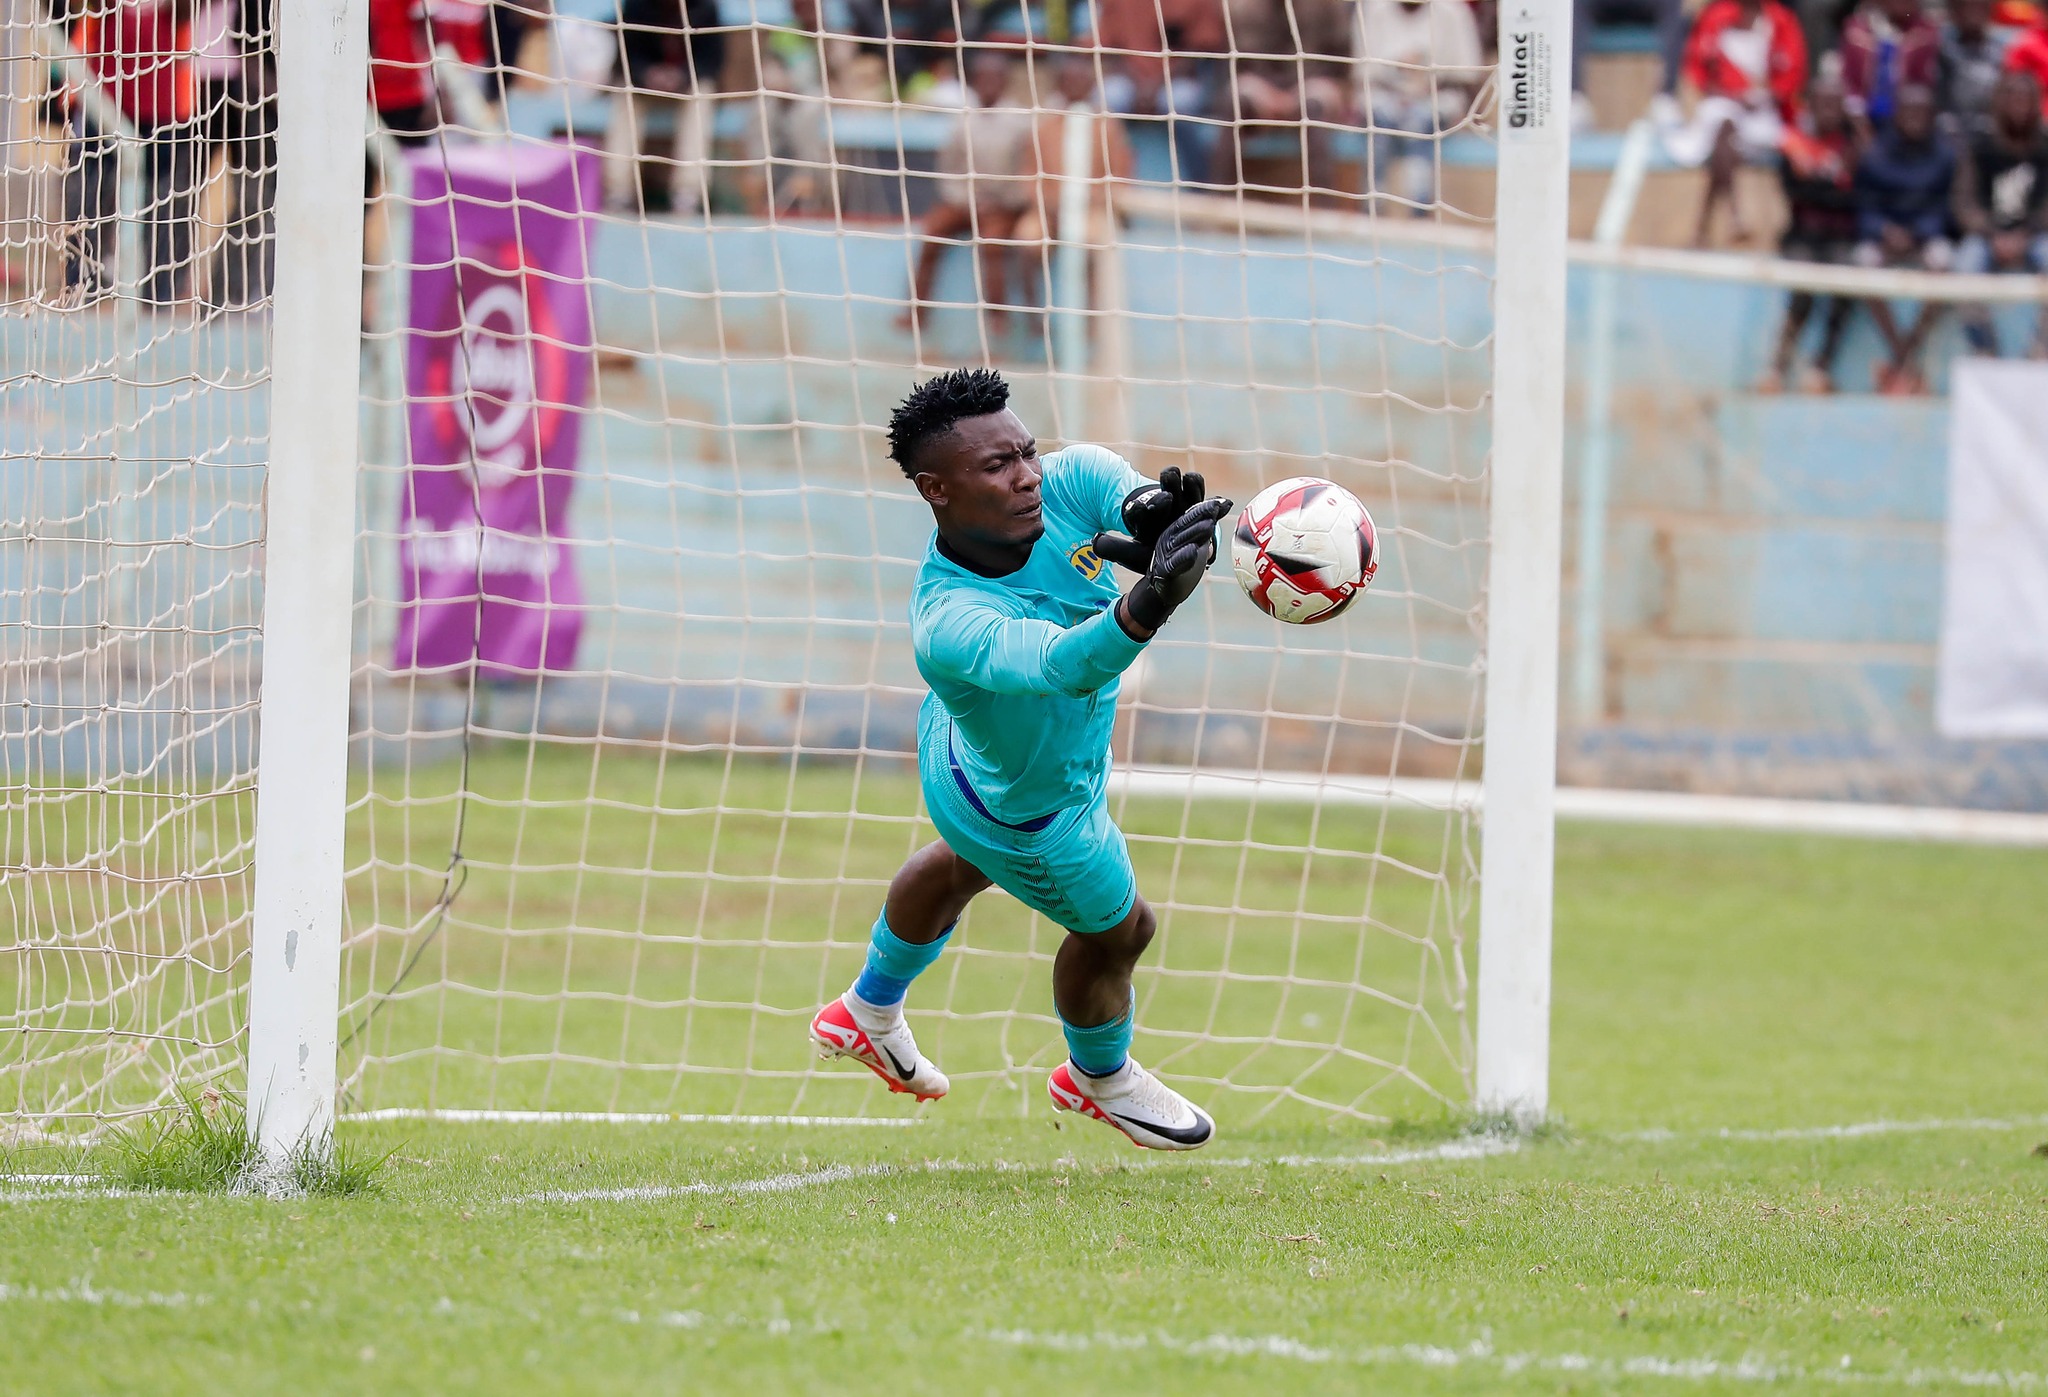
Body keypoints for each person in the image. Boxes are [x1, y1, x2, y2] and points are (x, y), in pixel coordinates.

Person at [808, 368, 1233, 1152]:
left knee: (961, 860)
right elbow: (1060, 666)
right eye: (997, 467)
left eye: (1027, 451)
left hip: (959, 760)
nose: (1028, 476)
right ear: (936, 488)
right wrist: (1148, 602)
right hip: (1033, 814)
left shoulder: (1068, 481)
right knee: (1122, 933)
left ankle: (867, 1008)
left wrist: (1153, 509)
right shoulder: (949, 619)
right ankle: (1099, 1078)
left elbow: (1115, 486)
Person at [899, 48, 1035, 336]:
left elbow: (1028, 172)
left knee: (993, 244)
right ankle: (916, 312)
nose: (987, 84)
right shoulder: (963, 120)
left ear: (1005, 81)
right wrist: (967, 199)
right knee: (931, 232)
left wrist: (1001, 201)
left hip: (1003, 205)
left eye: (994, 78)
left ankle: (998, 318)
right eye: (981, 78)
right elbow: (948, 168)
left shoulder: (1022, 122)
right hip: (964, 201)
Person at [76, 0, 204, 305]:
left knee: (164, 203)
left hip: (162, 106)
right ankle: (82, 286)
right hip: (106, 101)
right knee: (90, 197)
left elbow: (186, 12)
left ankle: (160, 293)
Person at [1657, 0, 1807, 245]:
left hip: (1763, 111)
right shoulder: (1716, 16)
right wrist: (1732, 97)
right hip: (1722, 104)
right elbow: (1699, 72)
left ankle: (1704, 226)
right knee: (1724, 125)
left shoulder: (1781, 20)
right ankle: (1734, 215)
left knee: (1724, 138)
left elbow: (1791, 76)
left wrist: (1762, 96)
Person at [1761, 72, 1862, 392]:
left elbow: (1854, 197)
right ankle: (1777, 367)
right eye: (1823, 102)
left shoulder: (1853, 147)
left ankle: (1821, 367)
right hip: (1803, 235)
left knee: (1847, 284)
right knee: (1802, 288)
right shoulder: (1794, 144)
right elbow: (1795, 192)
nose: (1830, 109)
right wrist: (1830, 187)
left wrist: (1820, 186)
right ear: (1811, 106)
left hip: (1841, 237)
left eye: (1836, 103)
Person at [1852, 83, 1957, 391]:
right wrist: (1884, 231)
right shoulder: (1875, 153)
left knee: (1945, 266)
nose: (1915, 119)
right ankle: (1903, 355)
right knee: (1862, 266)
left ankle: (1905, 354)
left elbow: (1945, 208)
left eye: (1921, 112)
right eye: (1908, 112)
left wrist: (1917, 233)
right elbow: (1864, 204)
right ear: (1896, 115)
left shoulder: (1943, 156)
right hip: (1883, 236)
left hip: (1924, 236)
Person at [1014, 48, 1135, 308]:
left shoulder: (1107, 127)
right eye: (1069, 80)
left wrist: (1089, 200)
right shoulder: (1044, 126)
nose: (1075, 85)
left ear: (1091, 85)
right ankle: (1034, 315)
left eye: (1081, 80)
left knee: (1094, 244)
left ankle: (1092, 319)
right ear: (1060, 85)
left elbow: (1121, 177)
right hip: (1049, 210)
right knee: (1027, 238)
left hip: (1092, 208)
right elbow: (1028, 175)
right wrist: (1050, 204)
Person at [1355, 0, 1486, 213]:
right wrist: (1401, 93)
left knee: (1420, 120)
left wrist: (1425, 88)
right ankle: (1372, 210)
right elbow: (1364, 74)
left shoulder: (1453, 12)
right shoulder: (1373, 9)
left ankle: (1419, 210)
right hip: (1385, 98)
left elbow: (1466, 76)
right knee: (1380, 120)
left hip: (1436, 99)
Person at [1952, 69, 2048, 353]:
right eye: (2014, 100)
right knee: (1964, 269)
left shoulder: (2045, 146)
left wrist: (2027, 234)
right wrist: (1992, 234)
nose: (2021, 107)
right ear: (2001, 103)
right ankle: (1985, 347)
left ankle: (2041, 349)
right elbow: (1963, 200)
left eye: (2027, 100)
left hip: (2035, 235)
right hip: (1986, 236)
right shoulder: (1981, 145)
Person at [1214, 0, 1354, 194]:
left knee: (1313, 107)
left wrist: (1303, 89)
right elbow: (1237, 61)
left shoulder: (1328, 6)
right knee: (1235, 101)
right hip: (1261, 89)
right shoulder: (1244, 8)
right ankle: (1221, 202)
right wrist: (1266, 90)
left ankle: (1323, 207)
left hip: (1312, 87)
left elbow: (1340, 62)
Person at [611, 0, 726, 214]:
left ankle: (687, 193)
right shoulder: (636, 6)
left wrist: (682, 76)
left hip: (688, 86)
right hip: (644, 86)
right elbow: (626, 55)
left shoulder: (707, 8)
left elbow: (712, 61)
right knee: (624, 94)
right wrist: (648, 73)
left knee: (703, 93)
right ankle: (619, 191)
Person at [1093, 0, 1226, 181]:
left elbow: (1200, 51)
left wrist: (1156, 86)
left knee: (1181, 102)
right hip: (1130, 81)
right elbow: (1109, 49)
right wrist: (1140, 85)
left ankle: (1198, 182)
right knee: (1108, 96)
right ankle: (1108, 179)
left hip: (1176, 81)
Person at [1839, 0, 1940, 136]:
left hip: (1910, 123)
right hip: (1860, 121)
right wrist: (1858, 120)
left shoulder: (1927, 32)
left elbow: (1925, 84)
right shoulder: (1856, 30)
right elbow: (1849, 81)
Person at [1938, 0, 2013, 138]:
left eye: (1980, 7)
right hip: (1955, 129)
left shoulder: (2002, 51)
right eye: (1968, 7)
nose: (1974, 14)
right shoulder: (1943, 51)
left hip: (1994, 132)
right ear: (1955, 12)